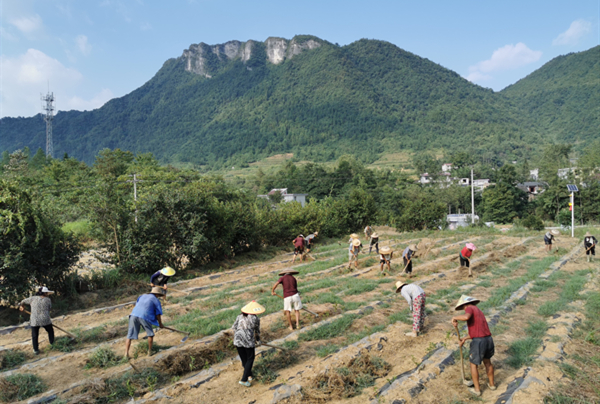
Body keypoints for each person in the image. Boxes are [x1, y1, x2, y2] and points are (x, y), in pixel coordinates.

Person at [451, 295, 496, 397]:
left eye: (463, 308)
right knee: (488, 362)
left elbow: (466, 317)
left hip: (479, 342)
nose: (464, 309)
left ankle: (477, 390)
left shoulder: (470, 308)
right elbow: (476, 332)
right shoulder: (478, 311)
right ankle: (492, 385)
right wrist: (464, 339)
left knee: (473, 364)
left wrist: (455, 317)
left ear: (464, 305)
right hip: (488, 339)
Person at [125, 287, 165, 358]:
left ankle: (126, 354)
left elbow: (138, 305)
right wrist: (160, 324)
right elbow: (158, 313)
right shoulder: (156, 300)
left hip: (133, 315)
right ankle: (150, 352)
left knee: (129, 336)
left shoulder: (142, 296)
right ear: (157, 295)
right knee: (150, 334)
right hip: (144, 316)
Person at [232, 301, 264, 387]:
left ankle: (249, 375)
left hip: (237, 339)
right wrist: (258, 340)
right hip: (248, 339)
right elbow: (256, 331)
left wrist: (239, 334)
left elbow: (234, 327)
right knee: (250, 358)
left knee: (244, 359)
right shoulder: (255, 318)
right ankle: (244, 379)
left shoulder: (239, 316)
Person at [19, 287, 55, 355]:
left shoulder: (32, 298)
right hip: (45, 319)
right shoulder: (48, 300)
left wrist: (22, 306)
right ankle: (52, 344)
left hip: (34, 320)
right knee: (50, 331)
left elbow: (22, 301)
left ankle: (35, 350)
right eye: (47, 293)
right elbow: (49, 308)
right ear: (45, 293)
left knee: (35, 335)